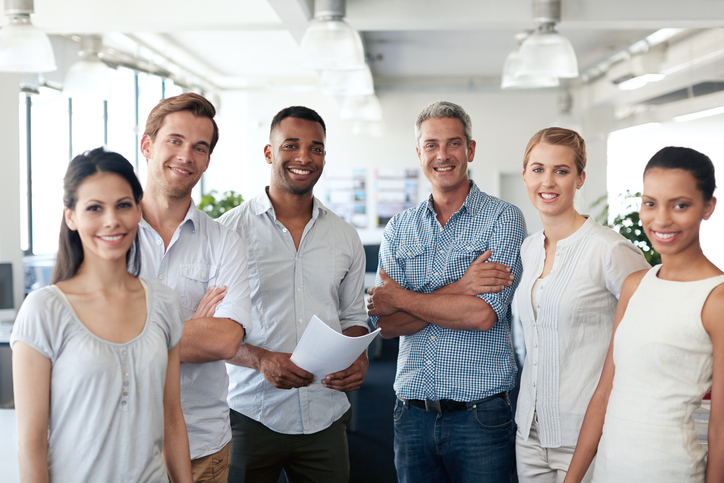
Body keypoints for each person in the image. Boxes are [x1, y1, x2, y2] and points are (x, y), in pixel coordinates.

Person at [367, 100, 526, 482]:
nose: (443, 155)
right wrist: (459, 287)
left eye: (453, 144)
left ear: (470, 150)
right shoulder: (399, 228)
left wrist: (401, 298)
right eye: (432, 145)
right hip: (411, 415)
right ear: (419, 153)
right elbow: (386, 327)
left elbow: (482, 314)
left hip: (480, 416)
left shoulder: (503, 218)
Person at [11, 148, 192, 482]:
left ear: (139, 210)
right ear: (71, 217)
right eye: (95, 208)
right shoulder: (44, 311)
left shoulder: (164, 303)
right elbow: (31, 443)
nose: (112, 220)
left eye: (123, 205)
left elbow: (171, 419)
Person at [219, 106, 369, 483]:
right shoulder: (227, 232)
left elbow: (353, 318)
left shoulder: (344, 236)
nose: (304, 157)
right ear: (269, 153)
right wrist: (260, 360)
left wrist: (358, 356)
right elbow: (208, 329)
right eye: (291, 145)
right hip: (251, 414)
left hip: (325, 415)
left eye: (316, 148)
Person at [564, 146, 724, 482]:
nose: (661, 219)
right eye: (650, 203)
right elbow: (605, 392)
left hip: (670, 470)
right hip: (610, 468)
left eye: (680, 205)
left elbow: (720, 427)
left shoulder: (716, 298)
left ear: (708, 207)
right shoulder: (636, 285)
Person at [515, 128, 649, 482]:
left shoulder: (610, 250)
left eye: (561, 171)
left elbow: (651, 328)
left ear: (580, 178)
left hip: (587, 434)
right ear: (525, 175)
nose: (548, 181)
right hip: (528, 433)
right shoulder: (529, 249)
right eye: (538, 169)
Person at [138, 93, 252, 483]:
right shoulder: (110, 235)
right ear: (147, 145)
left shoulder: (224, 242)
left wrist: (134, 333)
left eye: (199, 147)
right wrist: (190, 327)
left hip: (203, 446)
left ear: (206, 160)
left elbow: (224, 341)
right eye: (175, 140)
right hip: (124, 444)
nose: (186, 155)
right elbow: (90, 335)